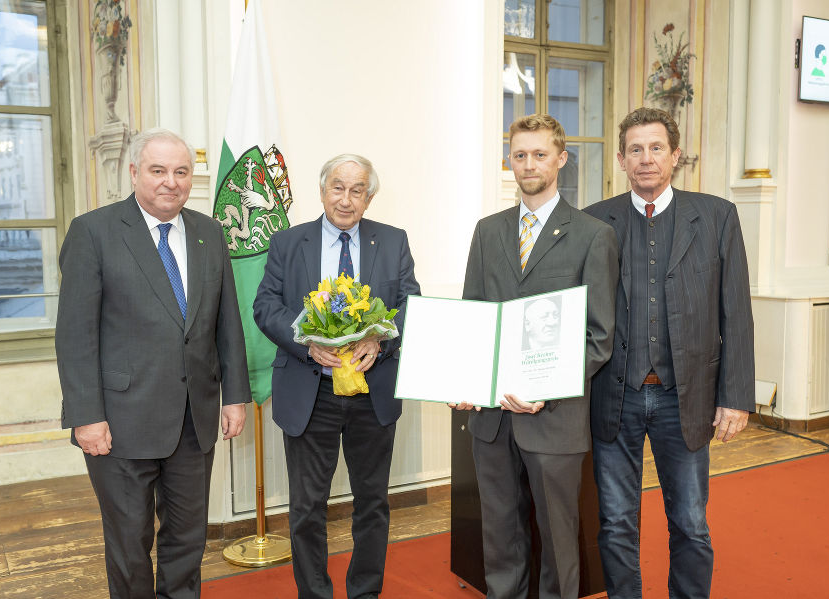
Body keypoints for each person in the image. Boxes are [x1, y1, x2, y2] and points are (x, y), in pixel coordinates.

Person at [55, 128, 251, 599]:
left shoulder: (209, 232)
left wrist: (235, 396)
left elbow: (227, 322)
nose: (170, 182)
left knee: (187, 539)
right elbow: (75, 335)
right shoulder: (94, 231)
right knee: (129, 542)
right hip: (121, 424)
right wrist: (86, 416)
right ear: (134, 172)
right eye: (158, 170)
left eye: (181, 171)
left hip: (193, 420)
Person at [583, 107, 755, 599]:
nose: (646, 159)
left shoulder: (718, 215)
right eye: (635, 149)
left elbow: (735, 311)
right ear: (621, 158)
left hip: (688, 397)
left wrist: (736, 396)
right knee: (615, 524)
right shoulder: (596, 221)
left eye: (656, 148)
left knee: (690, 523)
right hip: (615, 396)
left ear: (675, 156)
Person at [454, 114, 619, 599]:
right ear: (510, 160)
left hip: (555, 416)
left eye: (540, 154)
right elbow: (473, 317)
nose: (529, 164)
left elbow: (599, 335)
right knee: (500, 537)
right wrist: (463, 378)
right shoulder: (488, 231)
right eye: (520, 155)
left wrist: (541, 389)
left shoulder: (592, 235)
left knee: (559, 540)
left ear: (561, 159)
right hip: (491, 418)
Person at [253, 154, 420, 599]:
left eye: (357, 190)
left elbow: (411, 306)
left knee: (373, 504)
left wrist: (379, 342)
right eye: (338, 187)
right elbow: (265, 306)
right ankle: (315, 593)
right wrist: (306, 342)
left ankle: (365, 592)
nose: (346, 199)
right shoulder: (289, 243)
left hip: (372, 390)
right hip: (311, 392)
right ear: (323, 190)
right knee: (307, 508)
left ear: (369, 196)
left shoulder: (392, 241)